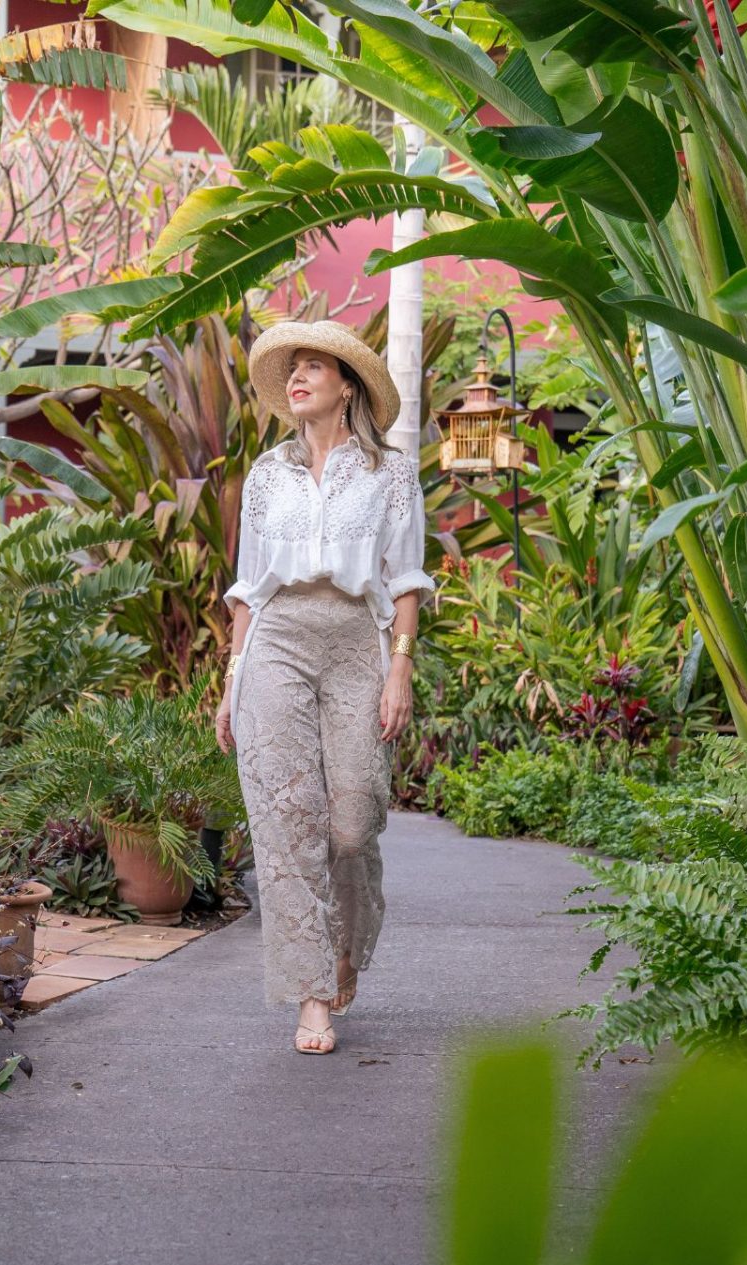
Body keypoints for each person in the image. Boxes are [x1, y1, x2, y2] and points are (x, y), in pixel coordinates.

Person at [213, 319, 436, 1056]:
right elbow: (248, 590)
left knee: (351, 820)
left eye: (315, 366)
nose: (299, 377)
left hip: (354, 642)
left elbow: (405, 580)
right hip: (276, 637)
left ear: (347, 387)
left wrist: (399, 668)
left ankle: (347, 942)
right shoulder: (267, 476)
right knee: (287, 823)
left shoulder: (390, 473)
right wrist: (230, 684)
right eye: (293, 368)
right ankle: (312, 995)